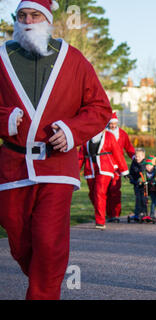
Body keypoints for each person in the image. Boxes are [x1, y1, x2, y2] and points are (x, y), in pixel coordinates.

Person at [0, 0, 112, 300]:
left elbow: (100, 107)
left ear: (47, 20)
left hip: (57, 166)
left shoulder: (73, 59)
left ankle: (43, 291)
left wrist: (73, 131)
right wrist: (4, 119)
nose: (27, 20)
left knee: (50, 243)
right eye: (21, 15)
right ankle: (44, 277)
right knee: (18, 239)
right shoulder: (1, 56)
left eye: (35, 15)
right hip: (13, 164)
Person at [79, 129, 130, 229]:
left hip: (105, 168)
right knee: (92, 194)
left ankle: (100, 221)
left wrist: (124, 170)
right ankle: (103, 211)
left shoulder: (109, 136)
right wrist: (74, 173)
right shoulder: (86, 135)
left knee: (99, 192)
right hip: (90, 169)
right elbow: (80, 156)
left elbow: (117, 153)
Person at [106, 112, 136, 222]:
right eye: (111, 124)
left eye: (114, 124)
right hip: (105, 165)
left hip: (118, 167)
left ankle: (115, 214)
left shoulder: (122, 134)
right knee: (104, 191)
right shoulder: (104, 134)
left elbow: (128, 147)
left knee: (115, 190)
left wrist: (134, 157)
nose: (112, 126)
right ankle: (108, 213)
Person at [128, 148, 149, 223]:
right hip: (136, 184)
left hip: (144, 185)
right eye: (136, 156)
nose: (137, 158)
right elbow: (131, 172)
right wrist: (131, 178)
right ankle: (137, 213)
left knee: (144, 199)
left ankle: (144, 213)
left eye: (139, 156)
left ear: (143, 156)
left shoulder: (145, 163)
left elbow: (145, 173)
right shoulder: (134, 163)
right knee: (138, 199)